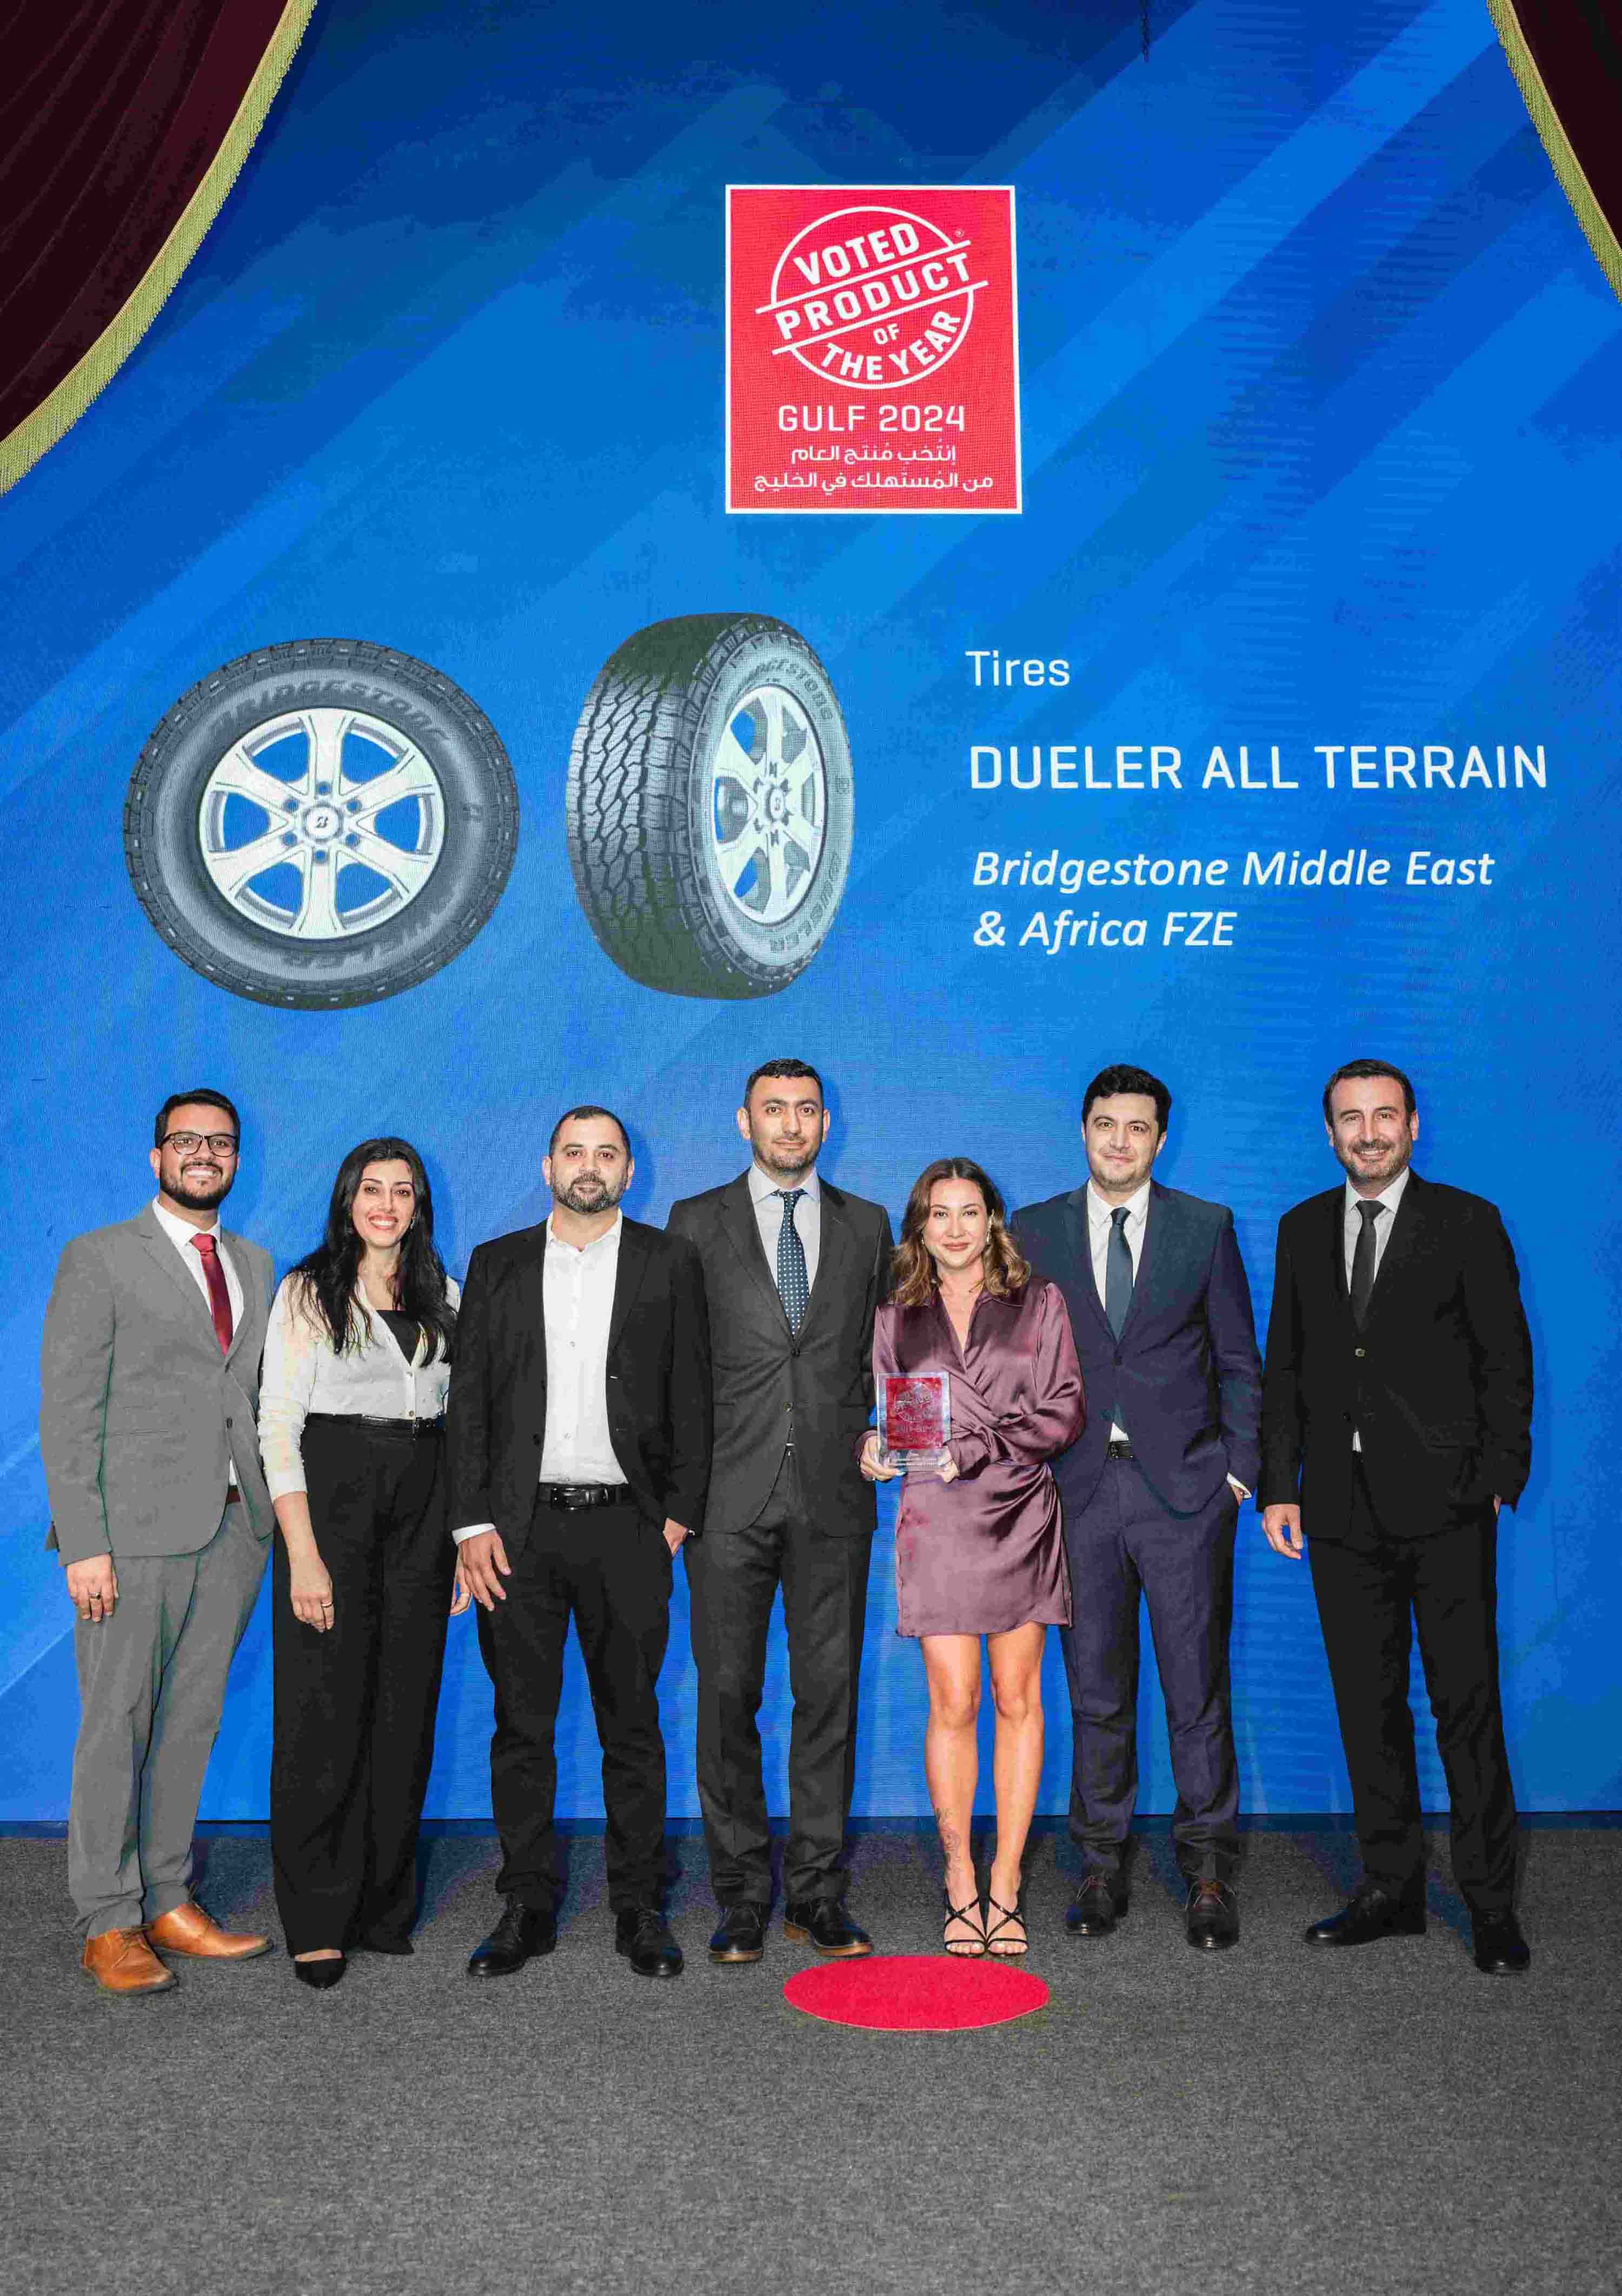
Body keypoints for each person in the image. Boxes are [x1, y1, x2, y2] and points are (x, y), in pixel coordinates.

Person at [1259, 1060, 1534, 1975]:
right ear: (1329, 1132)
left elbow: (1506, 1357)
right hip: (1339, 1510)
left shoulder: (1468, 1221)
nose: (1369, 1132)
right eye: (1352, 1118)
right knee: (1366, 1706)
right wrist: (1280, 1485)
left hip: (1448, 1505)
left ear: (1414, 1125)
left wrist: (1499, 1475)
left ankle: (1490, 1903)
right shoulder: (1302, 1228)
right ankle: (1392, 1889)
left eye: (1385, 1115)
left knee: (1467, 1705)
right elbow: (1285, 1367)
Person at [448, 1107, 710, 1980]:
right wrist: (471, 1522)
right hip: (517, 1534)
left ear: (630, 1171)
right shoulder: (497, 1263)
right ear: (547, 1165)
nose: (588, 1166)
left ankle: (641, 1905)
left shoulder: (669, 1261)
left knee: (632, 1725)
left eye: (606, 1153)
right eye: (573, 1152)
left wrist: (676, 1515)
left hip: (631, 1528)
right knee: (521, 1726)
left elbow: (694, 1392)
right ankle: (526, 1904)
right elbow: (470, 1402)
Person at [1014, 1064, 1261, 1952]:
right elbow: (1013, 1359)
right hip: (1078, 1493)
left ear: (1161, 1137)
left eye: (1138, 1127)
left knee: (1197, 1691)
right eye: (1105, 1124)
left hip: (1186, 1496)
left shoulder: (1205, 1226)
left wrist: (1238, 1474)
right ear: (1082, 1130)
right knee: (1096, 1690)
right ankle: (1099, 1865)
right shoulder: (1034, 1230)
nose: (1120, 1141)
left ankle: (1208, 1871)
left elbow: (1239, 1360)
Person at [39, 1090, 276, 1994]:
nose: (204, 1153)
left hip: (234, 1530)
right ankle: (108, 1918)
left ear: (237, 1158)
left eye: (221, 1142)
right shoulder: (99, 1256)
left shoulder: (254, 1262)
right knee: (117, 1724)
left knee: (192, 1721)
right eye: (187, 1140)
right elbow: (69, 1410)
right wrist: (84, 1544)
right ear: (156, 1156)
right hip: (129, 1538)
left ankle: (168, 1896)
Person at [668, 1059, 894, 1965]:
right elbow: (675, 1363)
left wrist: (888, 1428)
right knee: (727, 1696)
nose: (791, 1124)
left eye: (806, 1109)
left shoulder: (868, 1224)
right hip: (726, 1497)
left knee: (828, 1697)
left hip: (836, 1496)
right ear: (743, 1120)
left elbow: (886, 1352)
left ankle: (817, 1893)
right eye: (774, 1109)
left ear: (826, 1123)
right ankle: (740, 1897)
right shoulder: (694, 1221)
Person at [257, 1137, 464, 1991]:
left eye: (402, 1191)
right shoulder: (308, 1291)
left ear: (419, 1206)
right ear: (348, 1200)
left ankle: (382, 1905)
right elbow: (277, 1425)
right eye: (371, 1189)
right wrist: (302, 1554)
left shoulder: (443, 1292)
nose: (386, 1205)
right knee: (323, 1710)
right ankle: (317, 1917)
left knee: (404, 1707)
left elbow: (460, 1421)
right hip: (332, 1503)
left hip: (424, 1505)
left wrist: (458, 1540)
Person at [862, 1160, 1083, 1957]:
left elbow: (1064, 1414)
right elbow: (889, 1416)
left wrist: (980, 1447)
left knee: (1017, 1698)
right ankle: (960, 1877)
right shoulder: (897, 1315)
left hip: (1020, 1511)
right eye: (938, 1214)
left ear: (993, 1219)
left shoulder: (1040, 1300)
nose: (954, 1228)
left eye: (969, 1212)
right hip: (937, 1518)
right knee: (953, 1703)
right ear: (919, 1228)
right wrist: (872, 1446)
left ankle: (1008, 1878)